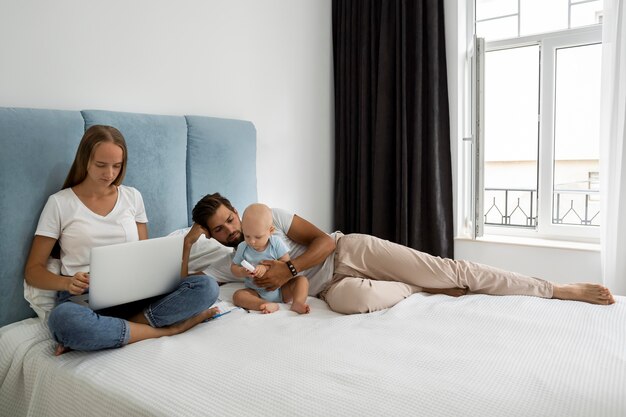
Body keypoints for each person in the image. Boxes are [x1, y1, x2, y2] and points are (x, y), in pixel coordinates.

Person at [187, 193, 583, 316]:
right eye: (219, 229)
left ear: (236, 211)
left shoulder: (268, 217)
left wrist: (288, 268)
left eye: (230, 219)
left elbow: (324, 241)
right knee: (355, 302)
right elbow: (180, 275)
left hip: (348, 251)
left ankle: (553, 289)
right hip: (330, 289)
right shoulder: (223, 260)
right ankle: (417, 288)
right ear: (211, 234)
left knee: (448, 269)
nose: (232, 230)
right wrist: (190, 241)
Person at [24, 125, 220, 355]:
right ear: (84, 159)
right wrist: (67, 283)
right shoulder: (60, 203)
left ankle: (122, 330)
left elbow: (143, 252)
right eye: (101, 165)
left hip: (135, 292)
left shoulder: (132, 197)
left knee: (206, 286)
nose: (109, 174)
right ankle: (166, 329)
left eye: (116, 166)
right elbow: (33, 270)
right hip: (85, 298)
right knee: (64, 321)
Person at [229, 203, 310, 314]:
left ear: (270, 231)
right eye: (247, 236)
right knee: (238, 296)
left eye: (258, 237)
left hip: (281, 289)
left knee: (302, 280)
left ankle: (298, 303)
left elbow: (286, 263)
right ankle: (262, 304)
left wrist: (266, 267)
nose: (252, 241)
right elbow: (233, 267)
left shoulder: (275, 243)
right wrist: (242, 271)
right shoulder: (242, 247)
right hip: (255, 291)